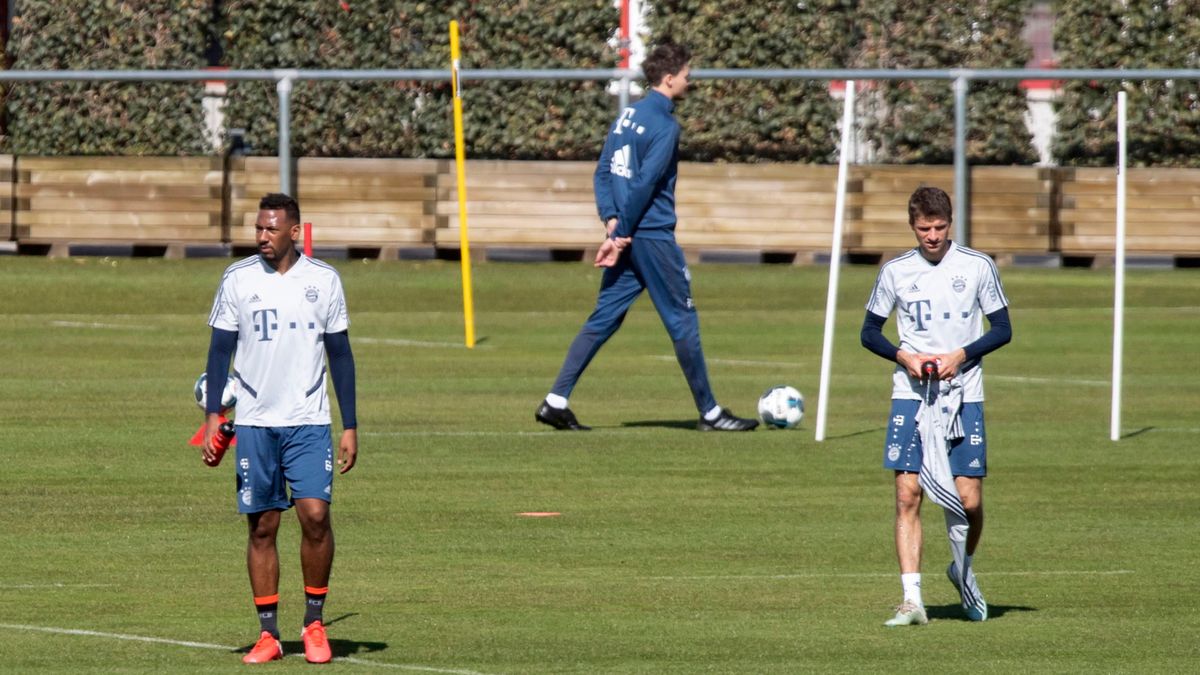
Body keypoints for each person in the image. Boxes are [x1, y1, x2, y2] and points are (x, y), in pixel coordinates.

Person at [535, 41, 758, 432]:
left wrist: (611, 222)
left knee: (604, 318)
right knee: (682, 322)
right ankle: (710, 413)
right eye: (688, 75)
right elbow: (644, 184)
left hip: (626, 234)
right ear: (669, 79)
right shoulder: (665, 126)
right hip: (651, 237)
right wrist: (620, 232)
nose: (691, 81)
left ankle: (555, 400)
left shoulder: (627, 117)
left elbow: (603, 171)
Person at [202, 193, 359, 663]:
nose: (261, 237)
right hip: (254, 422)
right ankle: (268, 634)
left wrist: (350, 424)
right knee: (263, 526)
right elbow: (218, 352)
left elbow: (341, 356)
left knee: (315, 516)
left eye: (271, 229)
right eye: (258, 228)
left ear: (295, 232)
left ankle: (314, 624)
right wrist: (213, 415)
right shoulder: (238, 279)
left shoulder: (324, 281)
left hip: (309, 420)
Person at [860, 186, 1012, 626]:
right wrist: (902, 356)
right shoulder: (895, 271)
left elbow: (1002, 328)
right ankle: (912, 600)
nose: (932, 236)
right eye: (924, 228)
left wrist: (960, 355)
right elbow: (869, 333)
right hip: (911, 395)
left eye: (939, 227)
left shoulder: (977, 266)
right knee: (908, 493)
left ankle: (962, 568)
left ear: (951, 224)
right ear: (912, 226)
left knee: (968, 500)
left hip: (964, 393)